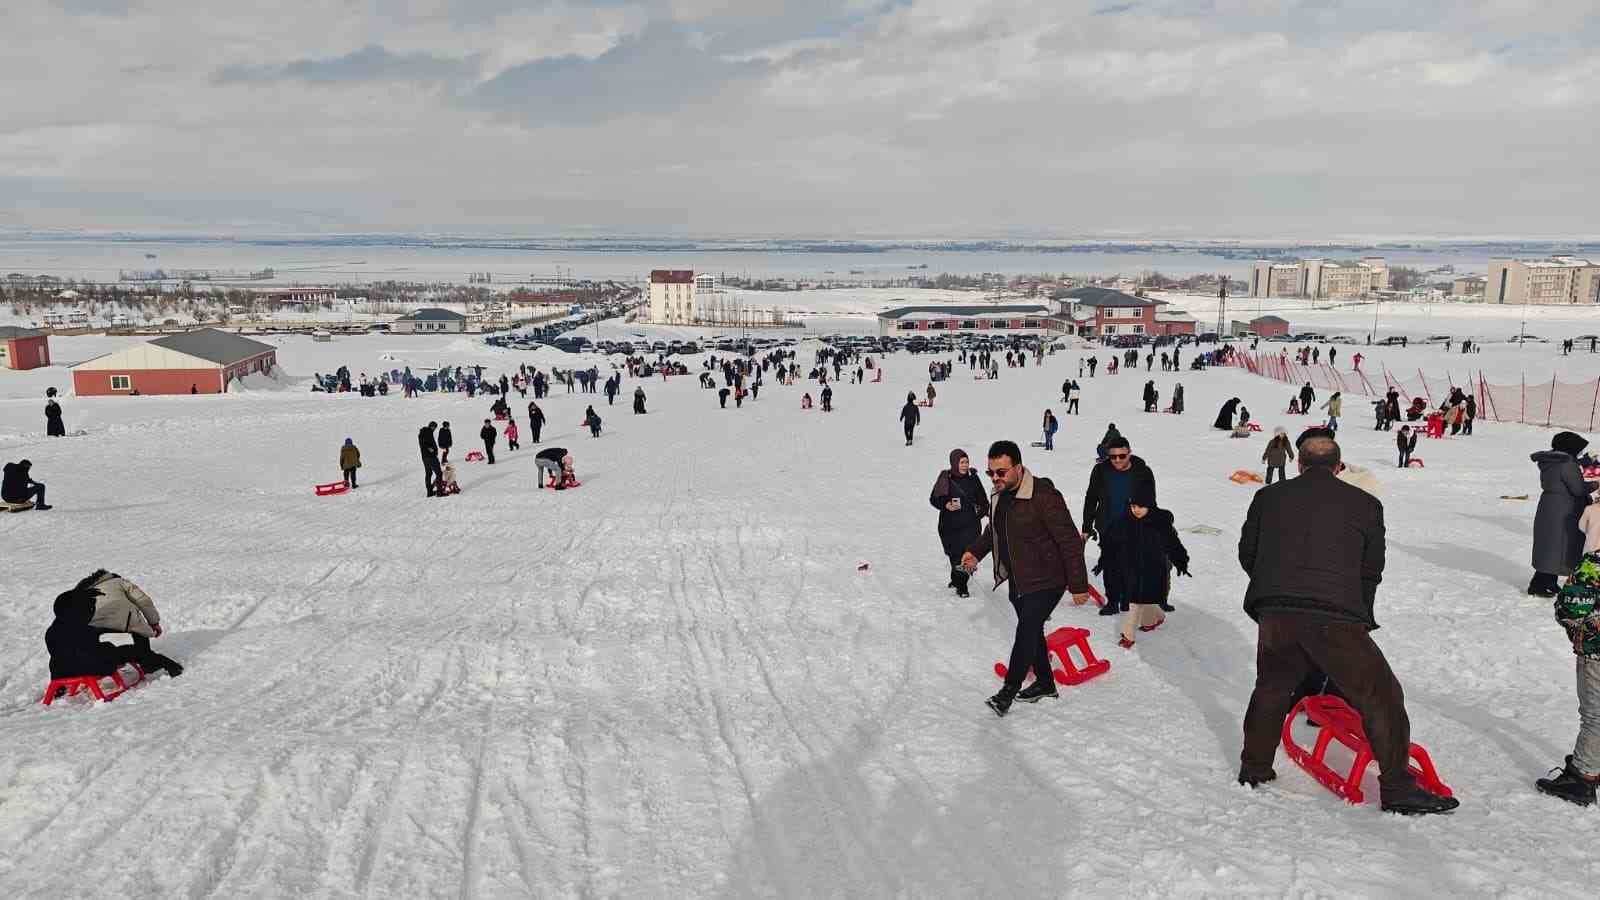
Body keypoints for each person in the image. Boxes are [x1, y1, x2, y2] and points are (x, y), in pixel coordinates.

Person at [1237, 436, 1460, 815]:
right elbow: (1371, 569)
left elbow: (1249, 554)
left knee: (1271, 688)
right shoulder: (1366, 504)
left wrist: (1277, 590)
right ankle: (1397, 788)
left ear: (1298, 464)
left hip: (1276, 611)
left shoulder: (1268, 497)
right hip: (1334, 614)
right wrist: (1358, 613)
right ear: (1339, 467)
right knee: (1382, 696)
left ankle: (1254, 767)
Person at [959, 440, 1091, 716]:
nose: (995, 478)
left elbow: (1069, 542)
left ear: (1018, 468)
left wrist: (1078, 585)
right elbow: (993, 531)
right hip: (1020, 577)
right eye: (991, 472)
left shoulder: (1044, 496)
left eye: (1001, 472)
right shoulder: (1000, 495)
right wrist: (975, 552)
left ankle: (1007, 692)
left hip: (1049, 578)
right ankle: (1045, 683)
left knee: (1026, 631)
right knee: (1032, 631)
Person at [1538, 550, 1600, 805]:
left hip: (1596, 656)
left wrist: (1580, 631)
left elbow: (1569, 609)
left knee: (1595, 716)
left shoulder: (1594, 565)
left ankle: (1583, 777)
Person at [1082, 435, 1157, 618]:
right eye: (1112, 456)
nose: (1116, 460)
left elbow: (1150, 501)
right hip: (1108, 526)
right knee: (1110, 565)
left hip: (1134, 527)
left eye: (1121, 456)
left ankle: (1127, 599)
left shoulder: (1142, 472)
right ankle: (1113, 601)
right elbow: (1091, 498)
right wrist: (1086, 526)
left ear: (1129, 453)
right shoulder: (1100, 471)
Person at [46, 587, 176, 688]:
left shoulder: (53, 631)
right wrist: (112, 646)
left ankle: (58, 689)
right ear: (78, 611)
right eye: (90, 608)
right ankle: (170, 666)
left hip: (63, 672)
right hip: (94, 667)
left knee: (59, 659)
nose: (92, 611)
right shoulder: (82, 628)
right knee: (132, 650)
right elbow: (95, 650)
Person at [1116, 482, 1190, 648]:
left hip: (1154, 570)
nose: (1136, 510)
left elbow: (1173, 546)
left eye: (1141, 506)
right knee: (1144, 600)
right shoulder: (1129, 522)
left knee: (1135, 603)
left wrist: (1181, 562)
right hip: (1134, 569)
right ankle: (1155, 619)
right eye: (1133, 506)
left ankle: (1128, 636)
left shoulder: (1160, 524)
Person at [77, 569, 183, 677]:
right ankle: (147, 660)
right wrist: (154, 623)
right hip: (125, 617)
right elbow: (143, 600)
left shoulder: (83, 592)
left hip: (93, 622)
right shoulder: (119, 581)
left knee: (91, 640)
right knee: (138, 628)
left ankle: (100, 663)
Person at [1530, 431, 1595, 597]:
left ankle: (1547, 582)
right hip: (1563, 508)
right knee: (1557, 546)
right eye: (1578, 449)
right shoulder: (1566, 463)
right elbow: (1578, 489)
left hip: (1549, 505)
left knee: (1549, 546)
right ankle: (1539, 585)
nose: (1580, 452)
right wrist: (1594, 485)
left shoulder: (1551, 460)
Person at [930, 449, 990, 598]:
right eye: (961, 462)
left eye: (966, 462)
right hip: (950, 526)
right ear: (954, 463)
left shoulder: (973, 478)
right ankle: (956, 578)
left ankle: (962, 585)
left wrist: (979, 512)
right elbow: (934, 499)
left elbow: (983, 500)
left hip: (970, 526)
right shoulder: (945, 478)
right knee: (955, 556)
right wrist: (946, 505)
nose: (965, 465)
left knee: (967, 555)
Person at [419, 422, 443, 497]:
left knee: (428, 473)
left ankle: (429, 492)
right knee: (439, 473)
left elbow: (423, 443)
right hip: (431, 457)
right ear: (432, 426)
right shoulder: (428, 432)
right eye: (434, 427)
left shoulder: (422, 433)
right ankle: (439, 492)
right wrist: (431, 449)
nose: (435, 429)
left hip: (424, 457)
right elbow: (425, 443)